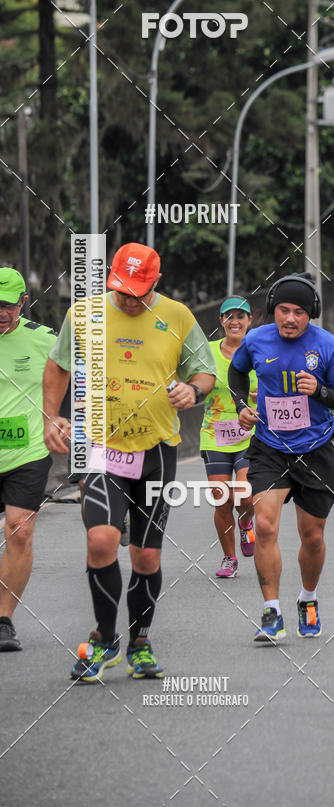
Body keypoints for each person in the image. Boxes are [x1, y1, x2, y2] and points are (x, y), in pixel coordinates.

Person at [43, 242, 216, 682]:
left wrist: (192, 391)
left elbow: (205, 373)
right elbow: (58, 365)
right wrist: (52, 416)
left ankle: (140, 641)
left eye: (139, 291)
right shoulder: (84, 315)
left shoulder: (177, 316)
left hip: (157, 452)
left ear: (156, 282)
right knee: (101, 540)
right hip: (101, 448)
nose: (129, 299)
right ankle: (104, 639)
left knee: (145, 558)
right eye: (121, 290)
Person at [228, 273, 334, 644]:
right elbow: (237, 374)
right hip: (269, 446)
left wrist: (320, 390)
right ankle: (272, 612)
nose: (290, 318)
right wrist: (241, 405)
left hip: (316, 449)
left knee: (311, 536)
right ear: (273, 310)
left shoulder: (328, 346)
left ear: (310, 314)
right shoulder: (255, 340)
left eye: (299, 312)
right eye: (283, 310)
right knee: (265, 525)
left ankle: (307, 599)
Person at [0, 268, 57, 652]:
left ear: (23, 302)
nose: (1, 311)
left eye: (7, 304)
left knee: (19, 529)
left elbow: (84, 372)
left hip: (27, 451)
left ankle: (3, 621)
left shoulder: (45, 340)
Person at [200, 296, 257, 578]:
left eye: (241, 316)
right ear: (221, 321)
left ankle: (247, 522)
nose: (235, 321)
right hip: (215, 435)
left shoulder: (259, 350)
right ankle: (229, 558)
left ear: (250, 321)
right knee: (221, 497)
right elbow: (194, 379)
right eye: (229, 316)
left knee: (245, 495)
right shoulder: (207, 352)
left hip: (252, 434)